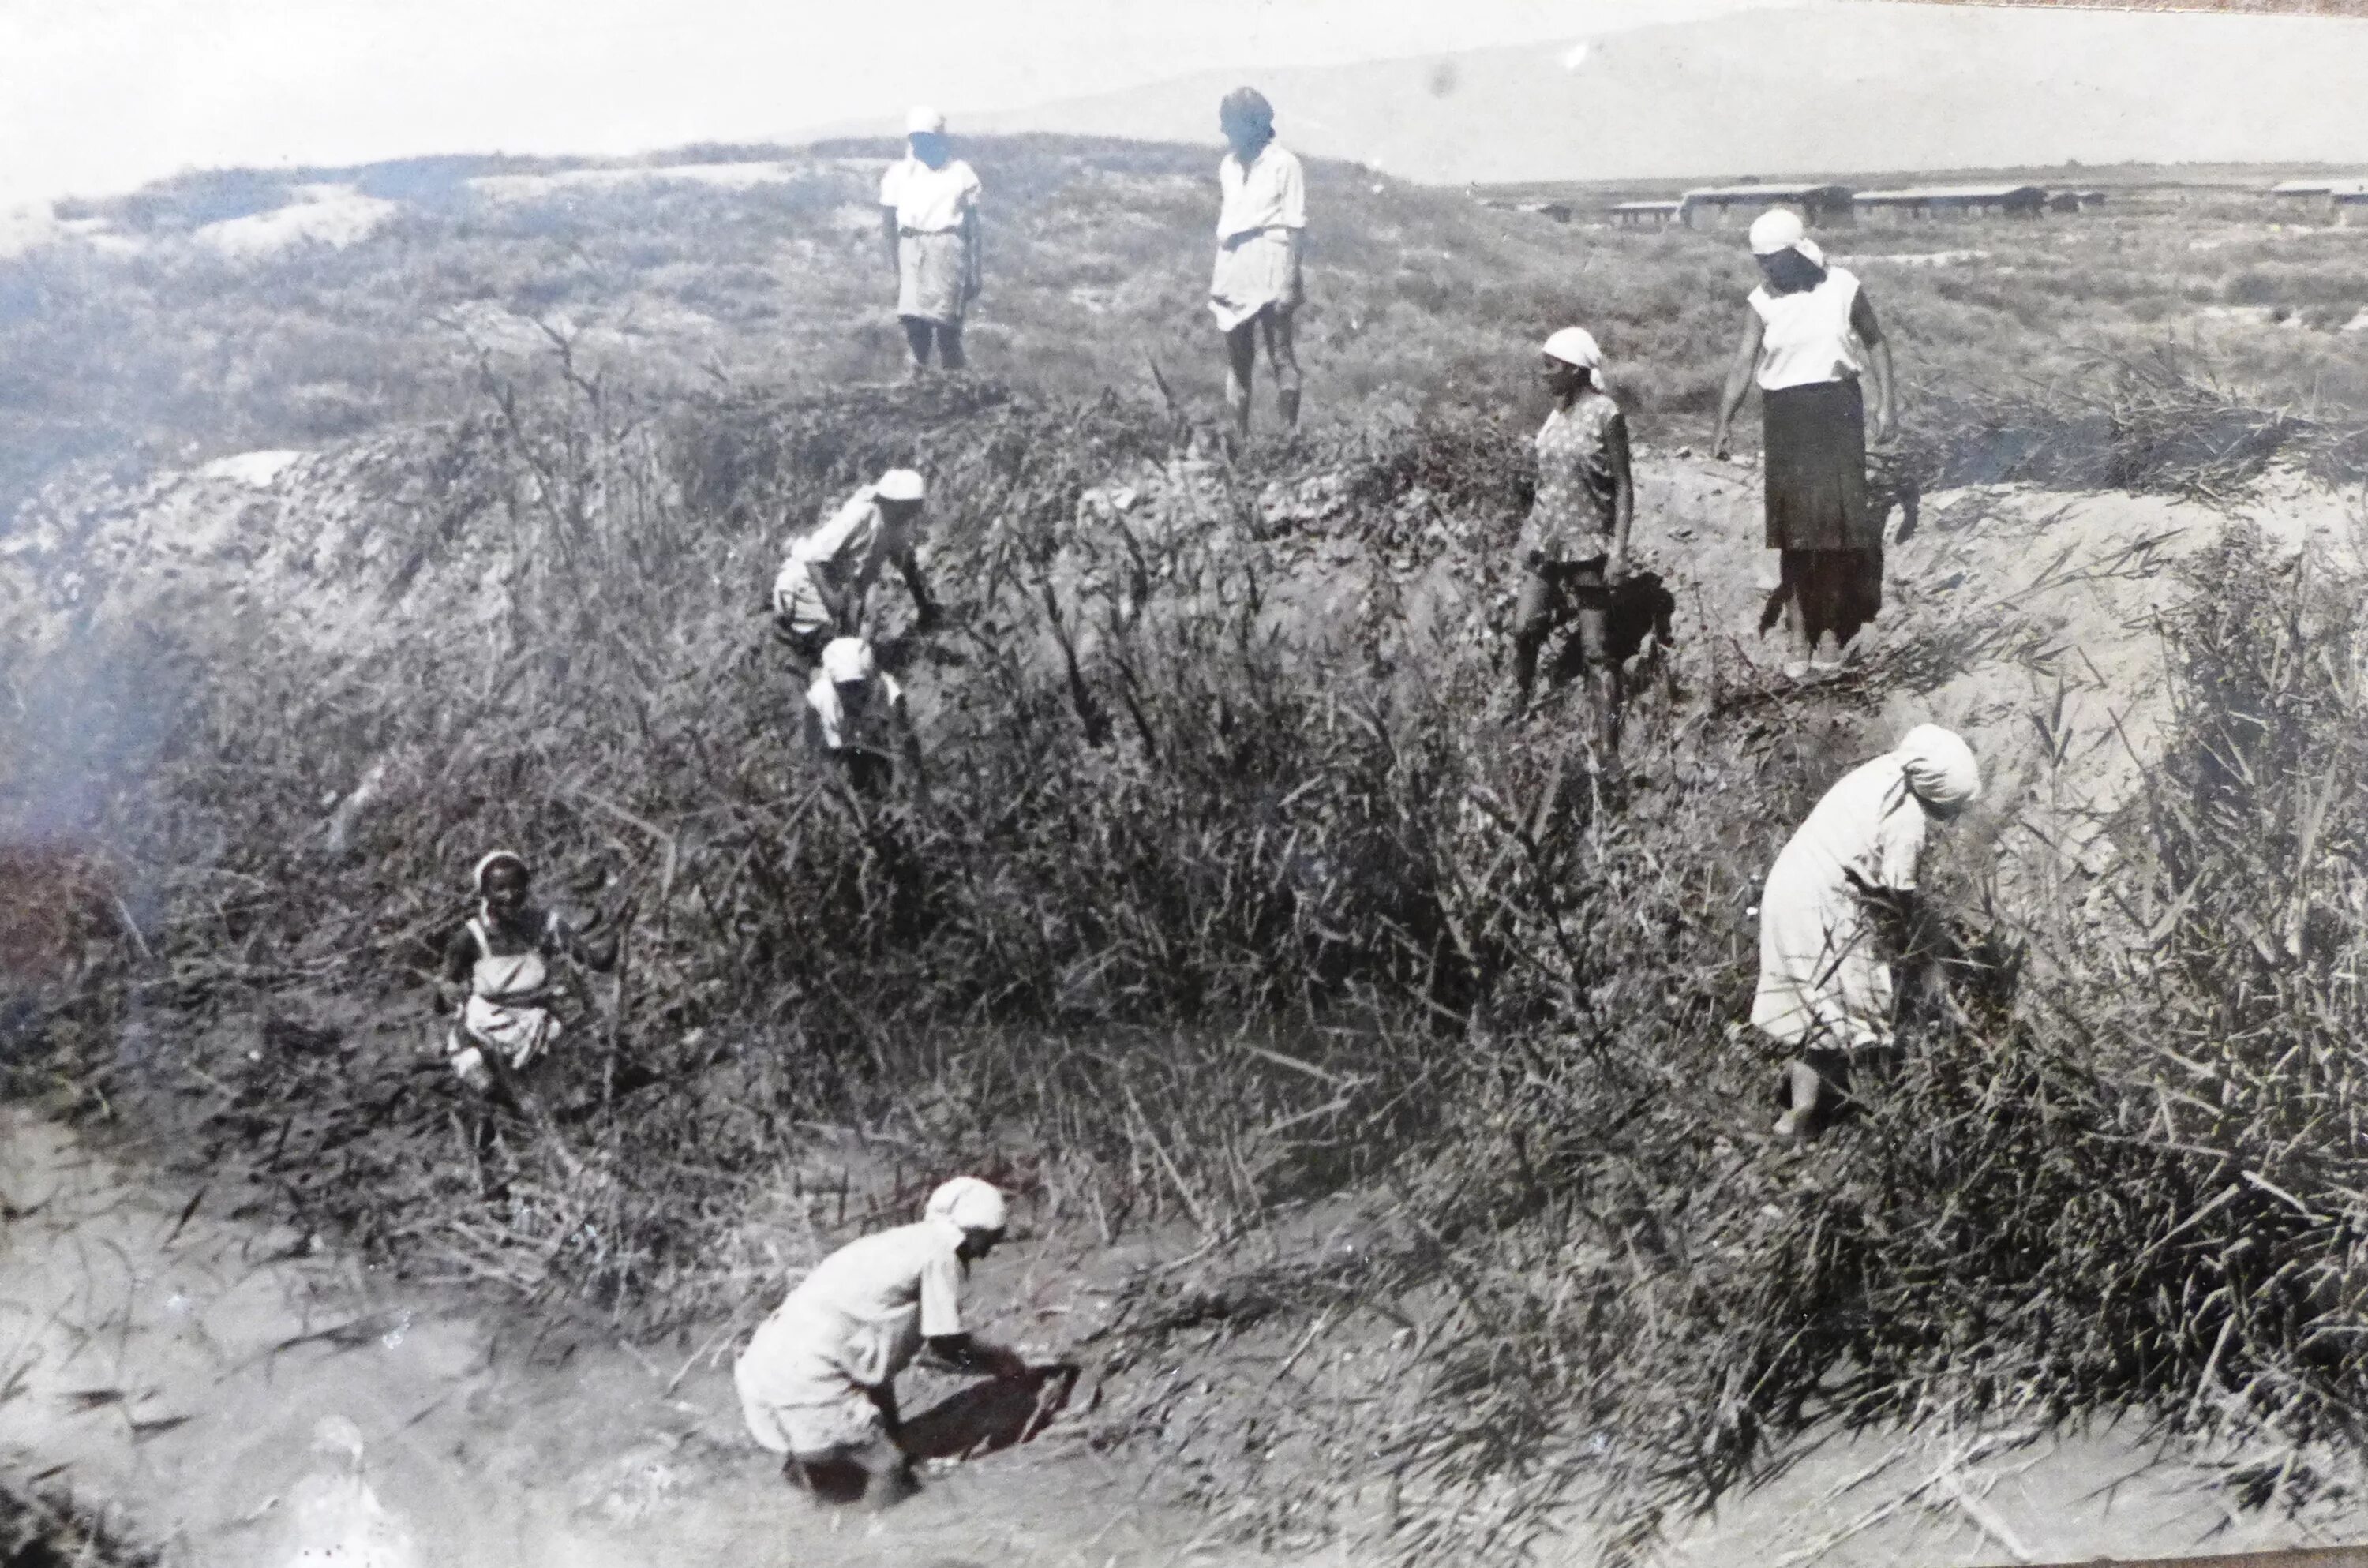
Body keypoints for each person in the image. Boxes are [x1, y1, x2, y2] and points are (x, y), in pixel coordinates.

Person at [734, 1177, 1031, 1510]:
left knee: (828, 1478)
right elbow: (946, 1347)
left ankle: (819, 1520)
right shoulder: (942, 1257)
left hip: (765, 1365)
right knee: (886, 1469)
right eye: (991, 1240)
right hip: (808, 1378)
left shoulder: (898, 1242)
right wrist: (1000, 1363)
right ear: (975, 1231)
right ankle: (873, 1542)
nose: (988, 1252)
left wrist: (895, 1438)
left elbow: (879, 1369)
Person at [1751, 725, 1981, 1140]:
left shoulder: (1885, 770)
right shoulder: (1906, 822)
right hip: (1818, 906)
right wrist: (1927, 963)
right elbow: (1900, 903)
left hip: (1792, 884)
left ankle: (1801, 1116)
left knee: (1817, 1009)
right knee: (1854, 1009)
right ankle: (1873, 1117)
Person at [1710, 208, 1899, 679]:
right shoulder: (1761, 300)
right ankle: (1798, 632)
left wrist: (1887, 405)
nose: (1765, 269)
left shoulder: (1842, 286)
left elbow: (1876, 343)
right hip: (1787, 418)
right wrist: (1723, 422)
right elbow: (1741, 364)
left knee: (1834, 530)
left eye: (1772, 260)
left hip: (1837, 410)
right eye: (1760, 261)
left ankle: (1831, 630)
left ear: (1796, 253)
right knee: (1792, 531)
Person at [1508, 326, 1636, 756]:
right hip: (1547, 539)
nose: (1544, 374)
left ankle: (1607, 750)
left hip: (1587, 545)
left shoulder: (1606, 414)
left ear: (1577, 370)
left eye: (1552, 366)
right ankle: (1516, 710)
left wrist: (1618, 550)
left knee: (1597, 651)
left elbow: (1623, 486)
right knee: (1525, 626)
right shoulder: (1555, 414)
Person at [438, 851, 616, 1094]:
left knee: (581, 1074)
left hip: (534, 1022)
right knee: (487, 1088)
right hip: (485, 1023)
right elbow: (442, 992)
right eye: (499, 889)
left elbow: (596, 961)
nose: (510, 896)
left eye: (516, 887)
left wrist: (619, 932)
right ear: (485, 893)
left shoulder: (546, 926)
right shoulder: (470, 937)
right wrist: (447, 990)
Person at [770, 468, 941, 672]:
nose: (912, 515)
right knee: (839, 663)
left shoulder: (893, 524)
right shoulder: (862, 514)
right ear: (895, 504)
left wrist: (925, 608)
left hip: (828, 586)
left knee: (849, 656)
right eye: (909, 509)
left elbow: (906, 563)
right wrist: (835, 608)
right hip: (804, 586)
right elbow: (813, 559)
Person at [1208, 87, 1306, 439]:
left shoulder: (1284, 164)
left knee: (1280, 352)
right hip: (1234, 265)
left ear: (1252, 124)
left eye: (1230, 124)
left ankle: (1288, 436)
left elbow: (1295, 225)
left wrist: (1291, 279)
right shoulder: (1228, 167)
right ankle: (1239, 440)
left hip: (1272, 260)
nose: (1225, 133)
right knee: (1238, 360)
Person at [879, 107, 983, 374]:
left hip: (947, 247)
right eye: (916, 139)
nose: (921, 145)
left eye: (928, 139)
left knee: (947, 324)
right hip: (911, 247)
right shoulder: (899, 174)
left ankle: (955, 384)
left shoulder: (960, 173)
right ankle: (915, 382)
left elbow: (973, 224)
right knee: (914, 322)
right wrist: (895, 266)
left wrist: (975, 270)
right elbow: (888, 221)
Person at [804, 636, 924, 800]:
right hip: (840, 752)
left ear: (871, 679)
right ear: (833, 683)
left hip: (879, 746)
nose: (853, 693)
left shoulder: (890, 694)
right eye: (846, 687)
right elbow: (818, 754)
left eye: (858, 686)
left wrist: (906, 787)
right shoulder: (819, 699)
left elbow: (904, 748)